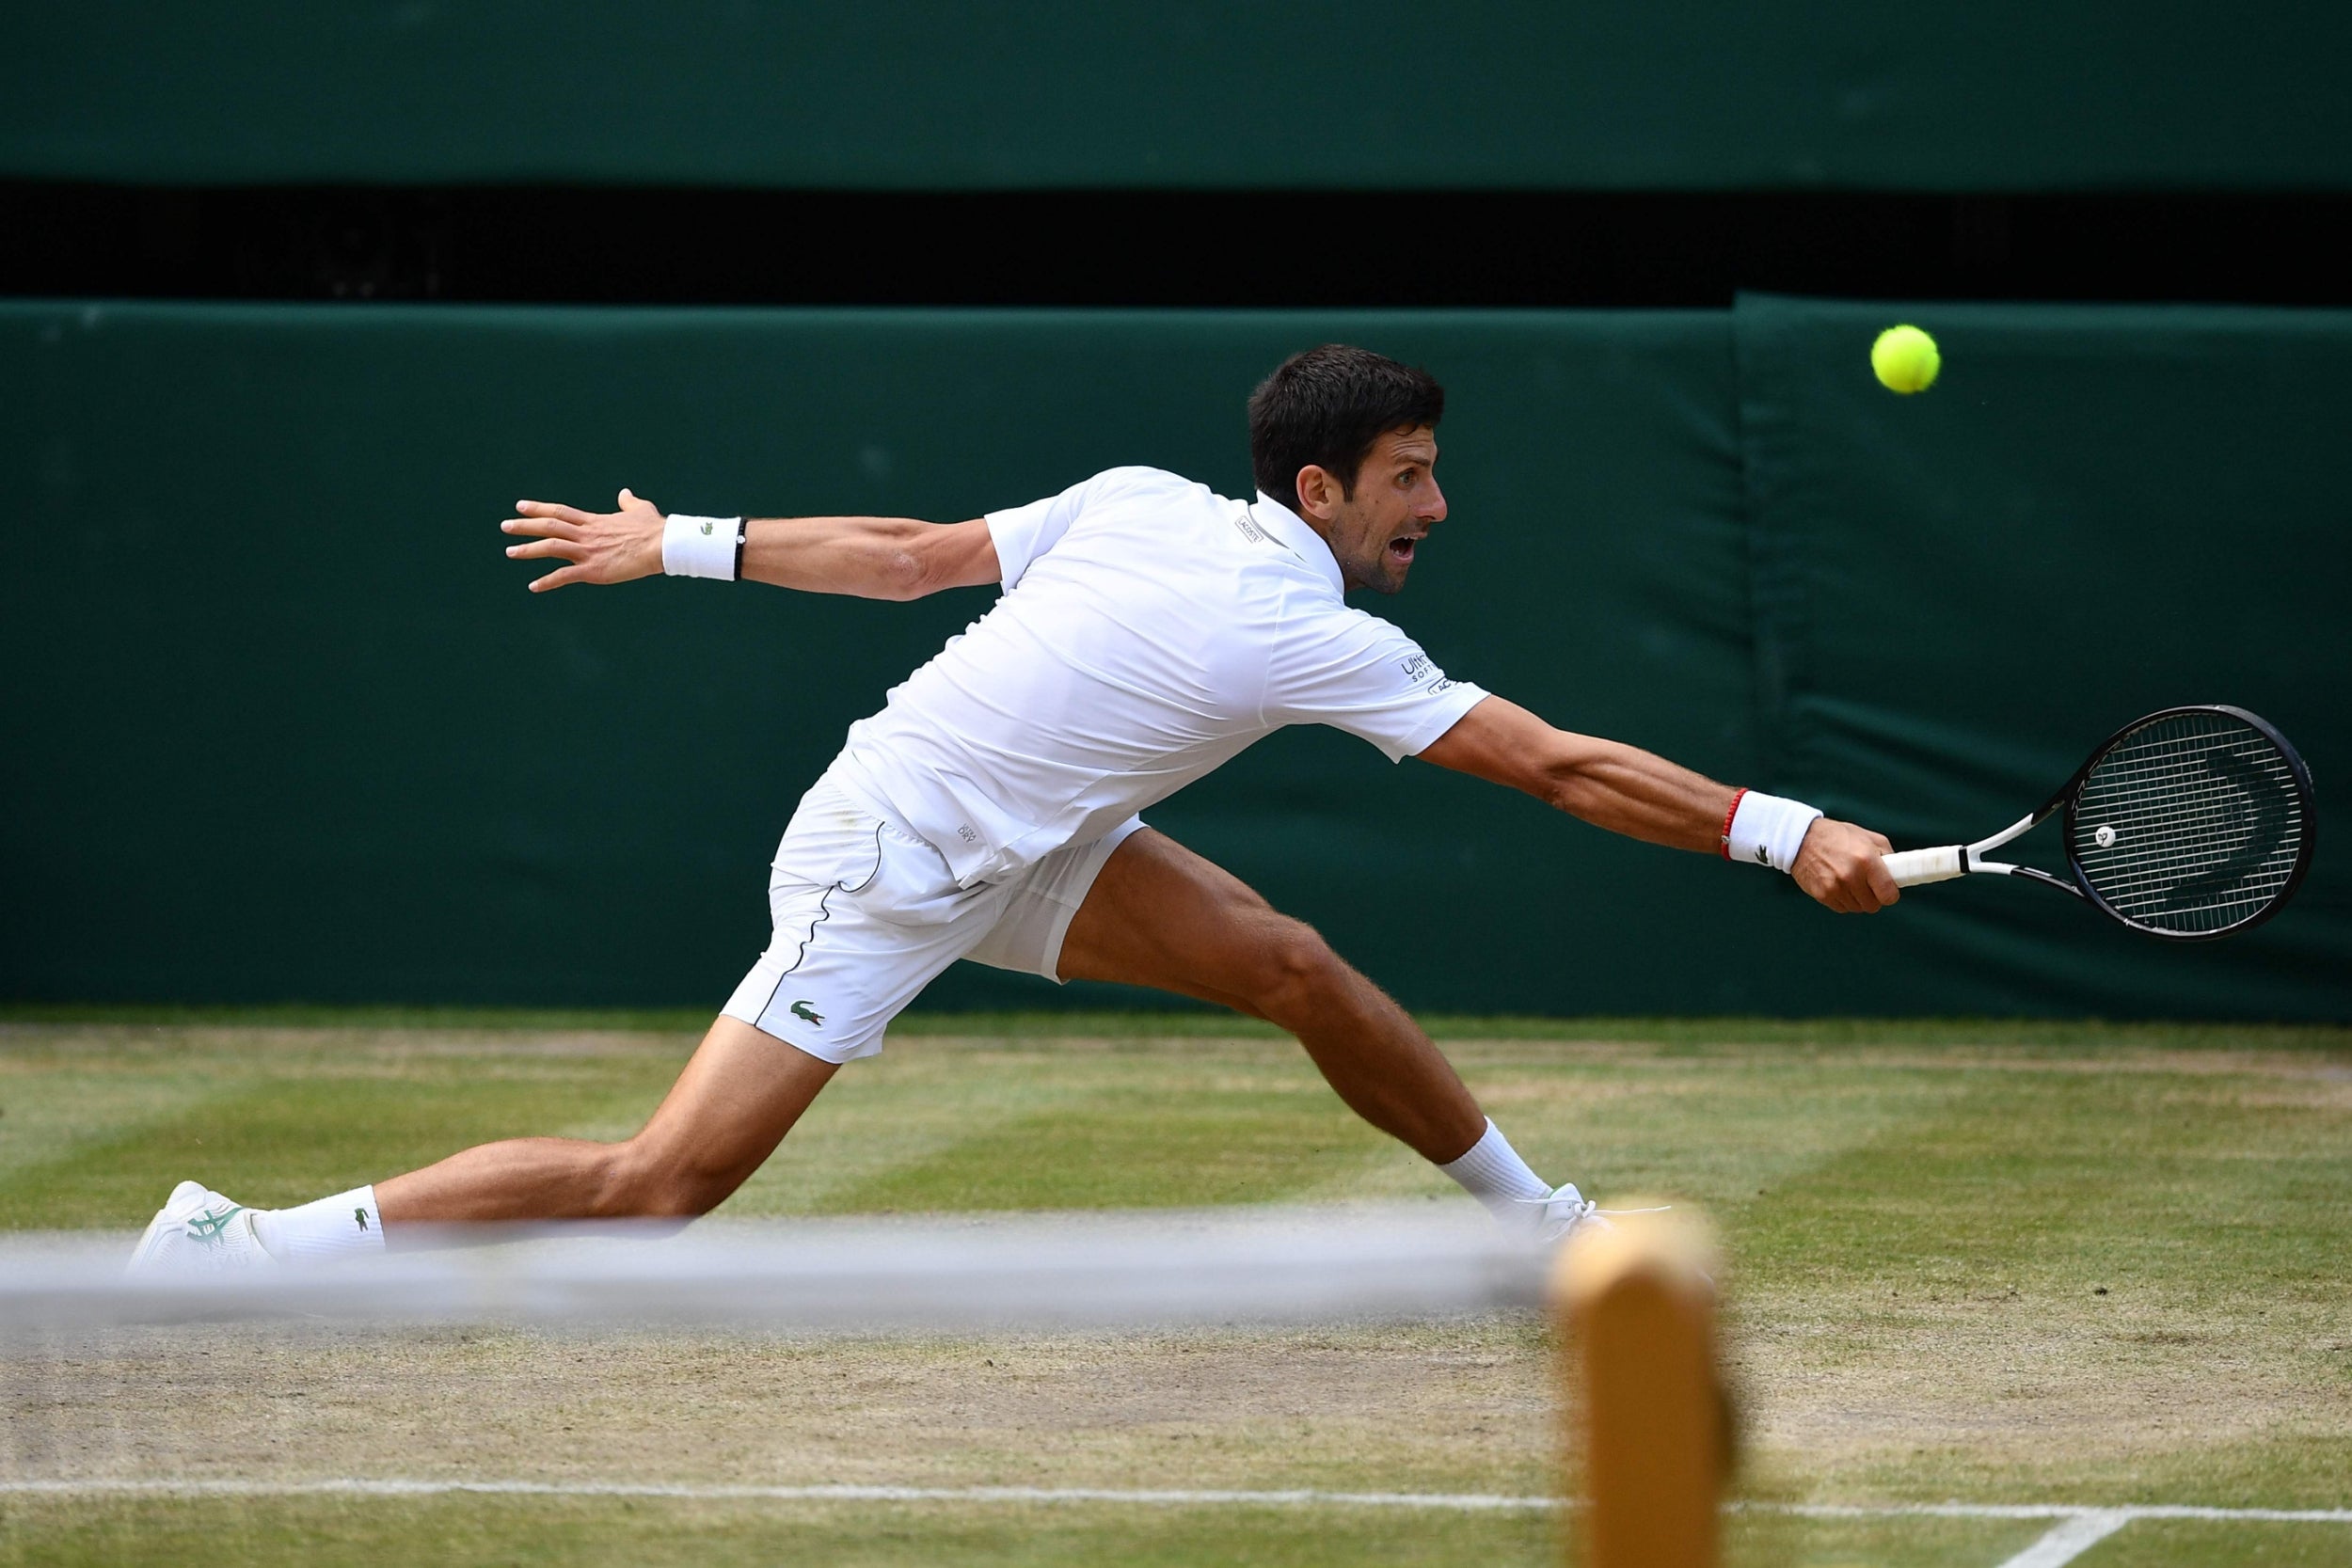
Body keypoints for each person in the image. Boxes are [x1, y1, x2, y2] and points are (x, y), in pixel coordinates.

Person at [130, 344, 1899, 1272]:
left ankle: (1549, 1238)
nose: (1437, 506)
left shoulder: (1145, 498)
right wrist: (1783, 829)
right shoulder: (1306, 628)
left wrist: (676, 541)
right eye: (1412, 481)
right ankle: (248, 1244)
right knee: (660, 1186)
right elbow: (1565, 765)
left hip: (1029, 840)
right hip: (892, 849)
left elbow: (909, 561)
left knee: (1294, 967)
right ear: (1321, 485)